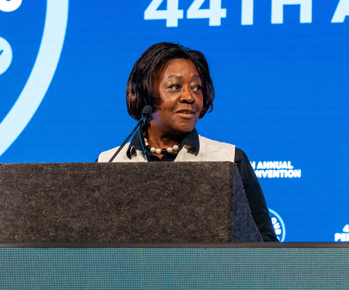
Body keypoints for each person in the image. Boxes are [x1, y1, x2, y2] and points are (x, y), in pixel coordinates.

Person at [97, 42, 278, 242]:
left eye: (196, 87)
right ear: (144, 94)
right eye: (175, 87)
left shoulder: (230, 159)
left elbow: (266, 246)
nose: (189, 97)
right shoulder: (109, 163)